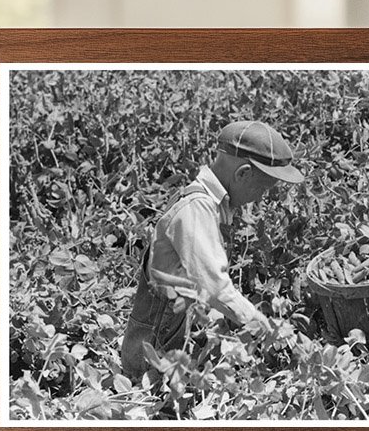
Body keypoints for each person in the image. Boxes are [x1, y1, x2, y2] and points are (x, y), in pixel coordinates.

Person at [120, 120, 306, 381]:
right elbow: (216, 288)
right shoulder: (198, 209)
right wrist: (268, 329)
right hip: (151, 361)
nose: (261, 198)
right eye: (262, 188)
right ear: (242, 174)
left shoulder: (212, 204)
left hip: (170, 345)